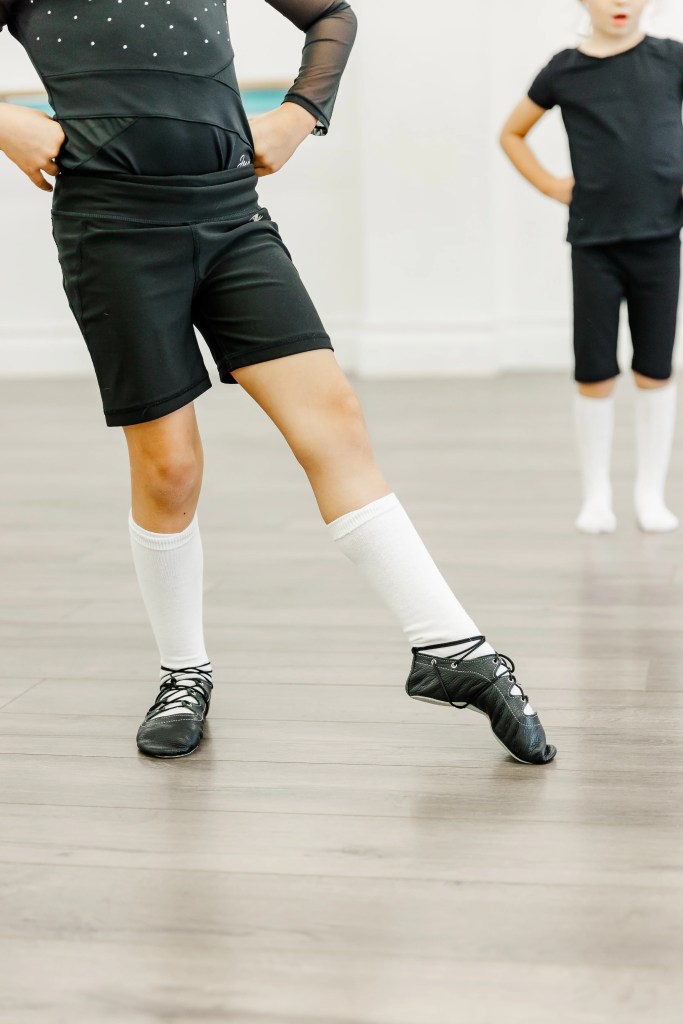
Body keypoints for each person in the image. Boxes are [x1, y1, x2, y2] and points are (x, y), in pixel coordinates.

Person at [0, 0, 555, 766]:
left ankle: (451, 646)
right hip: (114, 229)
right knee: (171, 468)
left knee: (334, 418)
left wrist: (299, 114)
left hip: (231, 215)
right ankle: (183, 672)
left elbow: (330, 13)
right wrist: (5, 119)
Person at [500, 0, 682, 534]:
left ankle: (650, 492)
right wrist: (552, 185)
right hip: (595, 244)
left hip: (660, 240)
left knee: (655, 369)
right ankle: (597, 493)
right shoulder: (565, 69)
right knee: (595, 370)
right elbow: (512, 133)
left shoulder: (672, 59)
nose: (619, 3)